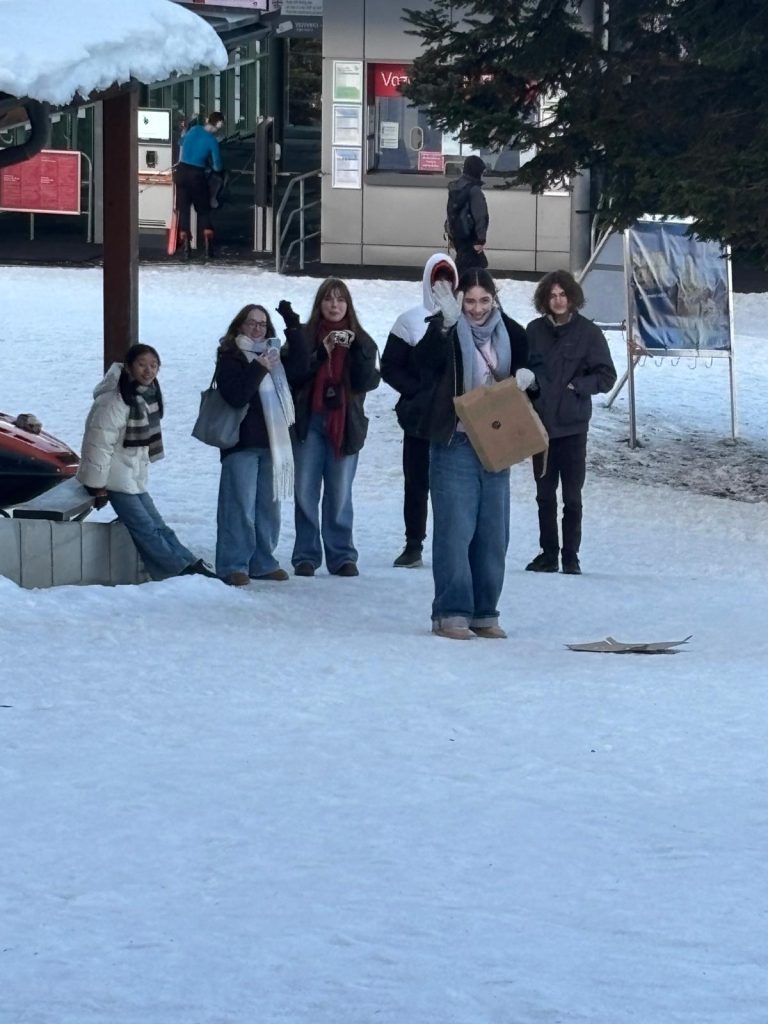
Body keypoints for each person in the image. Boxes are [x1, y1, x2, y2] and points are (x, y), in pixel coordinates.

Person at [414, 268, 529, 640]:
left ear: (495, 299)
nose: (477, 309)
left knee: (494, 533)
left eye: (484, 300)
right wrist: (446, 325)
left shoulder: (511, 332)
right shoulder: (445, 328)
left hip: (497, 440)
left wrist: (530, 377)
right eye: (470, 301)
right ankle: (451, 612)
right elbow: (422, 365)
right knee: (455, 530)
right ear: (459, 300)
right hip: (456, 441)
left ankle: (485, 611)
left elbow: (536, 367)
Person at [76, 344, 216, 581]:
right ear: (129, 367)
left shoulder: (145, 396)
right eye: (142, 364)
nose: (148, 370)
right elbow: (98, 444)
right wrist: (96, 485)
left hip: (132, 477)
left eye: (154, 365)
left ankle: (189, 564)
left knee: (158, 525)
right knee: (146, 529)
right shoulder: (114, 400)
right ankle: (177, 573)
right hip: (113, 479)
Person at [277, 279, 380, 578]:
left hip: (344, 425)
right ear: (319, 304)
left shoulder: (363, 340)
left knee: (340, 492)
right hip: (309, 421)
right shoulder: (305, 337)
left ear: (348, 305)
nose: (334, 305)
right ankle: (306, 555)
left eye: (340, 299)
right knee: (304, 490)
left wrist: (356, 349)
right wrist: (321, 352)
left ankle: (342, 555)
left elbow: (365, 382)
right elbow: (292, 376)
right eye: (328, 299)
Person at [522, 270, 617, 575]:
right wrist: (528, 383)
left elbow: (607, 376)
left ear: (572, 297)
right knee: (544, 495)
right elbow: (523, 369)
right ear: (544, 299)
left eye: (563, 294)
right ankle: (548, 554)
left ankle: (571, 557)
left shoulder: (589, 333)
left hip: (573, 428)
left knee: (572, 497)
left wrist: (578, 386)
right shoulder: (534, 331)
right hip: (540, 427)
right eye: (552, 295)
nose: (558, 300)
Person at [381, 252, 459, 568]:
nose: (443, 285)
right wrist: (416, 392)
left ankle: (453, 543)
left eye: (448, 279)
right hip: (419, 417)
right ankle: (414, 543)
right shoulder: (409, 320)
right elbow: (390, 367)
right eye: (437, 279)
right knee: (416, 481)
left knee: (453, 484)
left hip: (455, 417)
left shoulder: (466, 318)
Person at [214, 304, 296, 587]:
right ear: (240, 325)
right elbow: (236, 395)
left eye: (262, 324)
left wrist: (292, 324)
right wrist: (258, 368)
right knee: (239, 506)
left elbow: (300, 369)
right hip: (242, 442)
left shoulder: (275, 356)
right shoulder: (231, 355)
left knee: (268, 508)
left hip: (273, 443)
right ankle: (233, 564)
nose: (257, 329)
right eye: (251, 323)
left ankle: (263, 561)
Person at [174, 111, 225, 259]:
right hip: (197, 176)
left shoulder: (194, 129)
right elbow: (217, 166)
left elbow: (181, 142)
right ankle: (208, 248)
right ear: (219, 126)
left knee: (184, 210)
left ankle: (186, 249)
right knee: (203, 210)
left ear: (208, 120)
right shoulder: (212, 141)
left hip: (181, 172)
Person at [446, 155, 489, 277]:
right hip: (472, 239)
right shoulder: (474, 190)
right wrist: (481, 239)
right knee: (472, 274)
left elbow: (450, 213)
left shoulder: (455, 188)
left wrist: (452, 236)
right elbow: (480, 216)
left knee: (463, 269)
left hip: (459, 238)